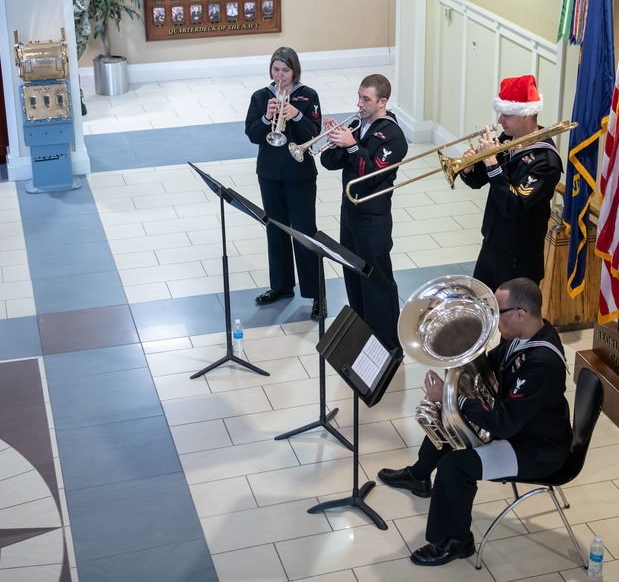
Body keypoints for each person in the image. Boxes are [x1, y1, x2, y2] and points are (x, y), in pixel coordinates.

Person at [378, 277, 572, 566]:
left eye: (500, 312)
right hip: (522, 429)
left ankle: (456, 540)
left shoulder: (542, 362)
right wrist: (453, 371)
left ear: (521, 313)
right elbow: (491, 364)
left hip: (536, 450)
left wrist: (452, 400)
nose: (494, 319)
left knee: (453, 467)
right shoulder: (523, 335)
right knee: (448, 424)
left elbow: (504, 425)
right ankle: (418, 475)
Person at [320, 74, 407, 350]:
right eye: (359, 96)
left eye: (365, 99)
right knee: (353, 272)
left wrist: (353, 146)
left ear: (383, 102)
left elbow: (370, 177)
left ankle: (389, 343)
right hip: (350, 212)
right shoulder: (358, 124)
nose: (359, 103)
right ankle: (363, 331)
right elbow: (331, 163)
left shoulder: (393, 136)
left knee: (376, 279)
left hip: (373, 217)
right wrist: (335, 141)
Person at [459, 75, 562, 291]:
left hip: (519, 256)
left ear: (525, 115)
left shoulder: (546, 161)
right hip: (492, 244)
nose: (500, 121)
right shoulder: (508, 140)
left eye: (506, 114)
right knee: (480, 307)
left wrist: (492, 165)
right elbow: (480, 182)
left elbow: (512, 205)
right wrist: (470, 168)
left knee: (511, 322)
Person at [245, 47, 324, 318]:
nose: (280, 75)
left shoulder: (308, 96)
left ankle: (317, 295)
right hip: (269, 173)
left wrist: (297, 115)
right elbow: (252, 135)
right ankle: (281, 286)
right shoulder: (260, 97)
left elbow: (314, 133)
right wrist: (267, 118)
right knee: (275, 229)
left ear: (294, 71)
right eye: (276, 69)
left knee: (304, 233)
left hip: (300, 174)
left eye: (285, 70)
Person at [69, 0, 92, 116]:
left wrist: (58, 15)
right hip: (62, 31)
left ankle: (78, 102)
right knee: (68, 67)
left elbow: (80, 7)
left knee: (70, 66)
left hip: (78, 33)